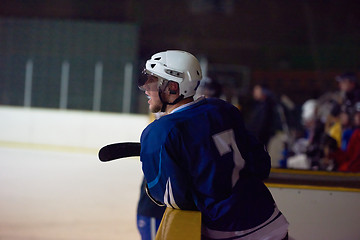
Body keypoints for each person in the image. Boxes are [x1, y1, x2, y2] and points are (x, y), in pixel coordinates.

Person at [137, 50, 289, 239]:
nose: (145, 88)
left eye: (152, 81)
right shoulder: (222, 109)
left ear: (173, 88)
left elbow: (174, 198)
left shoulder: (160, 131)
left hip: (229, 230)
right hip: (270, 217)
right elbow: (261, 165)